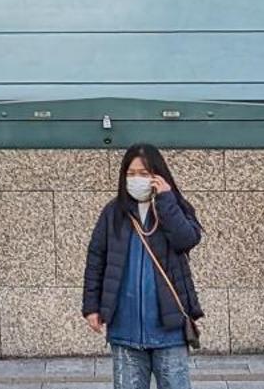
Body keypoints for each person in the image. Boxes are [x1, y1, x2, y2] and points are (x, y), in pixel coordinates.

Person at [82, 144, 203, 389]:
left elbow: (187, 239)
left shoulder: (174, 206)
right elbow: (96, 259)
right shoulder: (113, 212)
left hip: (168, 329)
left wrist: (166, 201)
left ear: (158, 175)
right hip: (124, 328)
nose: (137, 179)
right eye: (131, 173)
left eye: (144, 173)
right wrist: (91, 307)